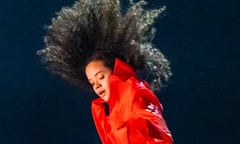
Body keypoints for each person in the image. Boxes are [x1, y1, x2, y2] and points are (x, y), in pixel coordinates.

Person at [37, 0, 173, 143]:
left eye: (100, 77)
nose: (96, 86)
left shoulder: (136, 94)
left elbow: (161, 137)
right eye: (92, 82)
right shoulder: (111, 110)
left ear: (115, 71)